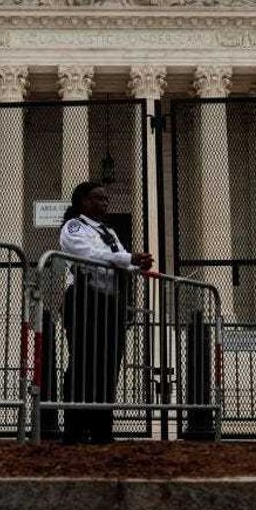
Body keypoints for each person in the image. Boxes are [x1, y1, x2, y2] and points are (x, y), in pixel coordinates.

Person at [58, 181, 153, 444]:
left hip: (110, 302)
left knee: (109, 365)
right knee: (84, 364)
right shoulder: (74, 227)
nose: (104, 203)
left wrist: (136, 264)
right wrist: (128, 259)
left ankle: (102, 429)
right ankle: (75, 429)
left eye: (106, 199)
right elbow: (89, 254)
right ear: (83, 201)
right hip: (84, 299)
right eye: (98, 198)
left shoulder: (109, 231)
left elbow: (119, 256)